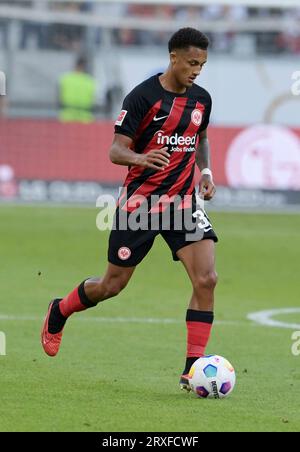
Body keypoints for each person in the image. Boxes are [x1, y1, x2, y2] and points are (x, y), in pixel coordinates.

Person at [41, 28, 218, 391]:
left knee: (207, 279)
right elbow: (115, 151)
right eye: (191, 63)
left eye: (201, 64)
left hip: (183, 204)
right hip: (140, 205)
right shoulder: (142, 97)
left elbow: (200, 138)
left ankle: (193, 368)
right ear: (173, 58)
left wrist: (206, 171)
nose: (197, 70)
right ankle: (60, 309)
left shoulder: (202, 99)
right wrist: (142, 157)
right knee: (112, 285)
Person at [58, 56, 97, 123]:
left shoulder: (65, 79)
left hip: (67, 117)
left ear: (75, 65)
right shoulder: (90, 81)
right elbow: (94, 100)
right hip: (85, 118)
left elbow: (59, 98)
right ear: (84, 66)